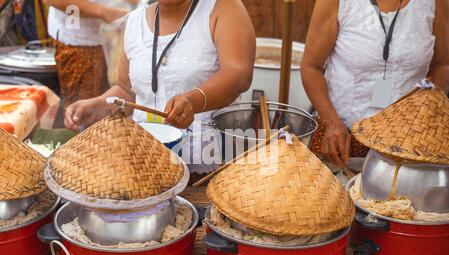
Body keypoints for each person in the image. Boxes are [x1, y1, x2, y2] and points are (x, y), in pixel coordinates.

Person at [64, 0, 255, 178]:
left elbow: (239, 74)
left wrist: (194, 100)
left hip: (207, 166)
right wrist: (95, 106)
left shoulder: (222, 8)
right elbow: (128, 91)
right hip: (146, 166)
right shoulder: (135, 21)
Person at [300, 0, 449, 168]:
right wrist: (332, 123)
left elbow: (442, 65)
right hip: (342, 139)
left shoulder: (435, 3)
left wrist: (425, 116)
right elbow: (311, 67)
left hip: (409, 145)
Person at [43, 0, 137, 107]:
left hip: (115, 37)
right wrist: (105, 12)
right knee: (84, 110)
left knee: (116, 105)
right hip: (81, 44)